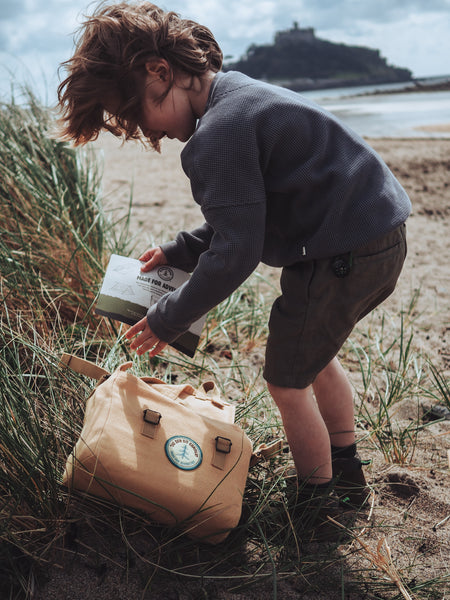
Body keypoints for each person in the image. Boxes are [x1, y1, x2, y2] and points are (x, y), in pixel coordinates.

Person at [58, 1, 411, 537]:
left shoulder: (217, 134)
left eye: (135, 113)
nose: (142, 131)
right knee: (313, 359)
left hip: (341, 250)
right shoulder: (239, 93)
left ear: (161, 73)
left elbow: (237, 252)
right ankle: (348, 474)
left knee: (285, 382)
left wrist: (167, 318)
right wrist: (178, 251)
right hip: (372, 234)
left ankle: (318, 509)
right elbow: (248, 216)